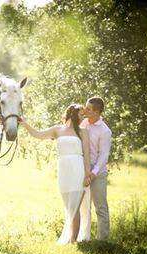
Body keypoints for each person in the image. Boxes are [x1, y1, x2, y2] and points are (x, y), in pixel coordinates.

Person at [19, 104, 92, 244]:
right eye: (81, 115)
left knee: (75, 206)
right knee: (69, 207)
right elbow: (38, 134)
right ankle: (70, 238)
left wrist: (87, 175)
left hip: (78, 168)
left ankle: (73, 241)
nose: (84, 117)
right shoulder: (57, 130)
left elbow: (87, 154)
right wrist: (25, 124)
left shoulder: (83, 131)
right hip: (64, 170)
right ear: (73, 114)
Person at [81, 97, 112, 241]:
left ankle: (102, 241)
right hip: (82, 171)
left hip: (97, 174)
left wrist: (92, 173)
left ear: (97, 112)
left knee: (100, 207)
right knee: (82, 206)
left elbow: (103, 155)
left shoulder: (105, 131)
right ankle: (82, 237)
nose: (84, 110)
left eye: (88, 109)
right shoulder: (83, 123)